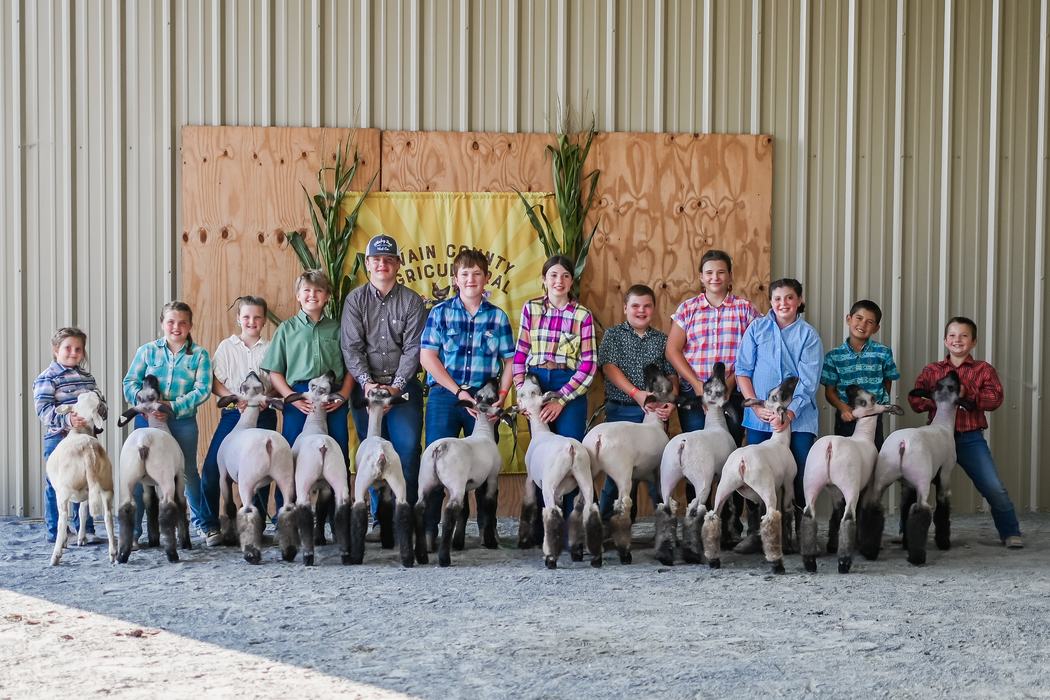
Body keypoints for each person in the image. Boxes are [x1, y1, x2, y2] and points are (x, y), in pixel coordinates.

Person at [419, 249, 515, 543]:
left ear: (487, 279)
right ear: (455, 280)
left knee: (486, 469)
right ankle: (430, 531)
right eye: (465, 274)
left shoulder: (497, 318)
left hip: (484, 399)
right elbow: (427, 357)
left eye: (477, 274)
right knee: (437, 463)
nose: (471, 279)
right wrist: (458, 391)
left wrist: (501, 395)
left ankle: (488, 530)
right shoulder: (440, 312)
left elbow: (510, 360)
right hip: (446, 396)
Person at [908, 316, 1024, 549]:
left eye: (964, 336)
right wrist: (942, 402)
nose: (957, 340)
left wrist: (966, 394)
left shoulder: (983, 370)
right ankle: (909, 533)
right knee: (915, 484)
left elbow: (995, 400)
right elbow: (915, 398)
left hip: (969, 437)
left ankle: (1010, 532)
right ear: (944, 340)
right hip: (937, 439)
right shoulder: (933, 370)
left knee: (993, 486)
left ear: (973, 342)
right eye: (952, 335)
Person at [341, 234, 427, 539]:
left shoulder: (412, 301)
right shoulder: (355, 300)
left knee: (406, 452)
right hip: (366, 391)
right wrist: (366, 383)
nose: (382, 264)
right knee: (371, 452)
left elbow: (414, 349)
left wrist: (397, 387)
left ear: (398, 265)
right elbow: (352, 348)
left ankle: (408, 518)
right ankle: (380, 520)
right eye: (376, 259)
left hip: (403, 389)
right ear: (367, 264)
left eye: (388, 259)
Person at [512, 254, 597, 521]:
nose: (559, 281)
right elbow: (520, 354)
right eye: (553, 275)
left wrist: (561, 399)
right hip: (536, 383)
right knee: (540, 456)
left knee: (570, 453)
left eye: (565, 276)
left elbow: (588, 364)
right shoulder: (531, 309)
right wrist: (522, 393)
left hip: (568, 385)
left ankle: (573, 525)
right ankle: (542, 526)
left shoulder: (582, 315)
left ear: (572, 281)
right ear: (544, 280)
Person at [264, 271, 354, 515]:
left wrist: (344, 395)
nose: (312, 295)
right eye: (306, 290)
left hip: (332, 397)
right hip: (298, 397)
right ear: (298, 296)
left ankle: (337, 516)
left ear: (327, 297)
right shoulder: (286, 329)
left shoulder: (338, 329)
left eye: (318, 291)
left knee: (337, 451)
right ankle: (287, 514)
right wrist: (291, 398)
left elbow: (351, 367)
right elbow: (275, 372)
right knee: (292, 454)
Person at [122, 301, 212, 542]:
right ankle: (134, 532)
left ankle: (203, 524)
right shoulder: (147, 351)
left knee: (188, 472)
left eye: (183, 322)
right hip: (146, 421)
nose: (176, 327)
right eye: (171, 322)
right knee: (140, 474)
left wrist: (171, 406)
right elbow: (130, 382)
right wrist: (146, 406)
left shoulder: (200, 355)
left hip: (182, 421)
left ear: (191, 325)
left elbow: (203, 389)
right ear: (162, 324)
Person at [735, 278, 823, 523]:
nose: (783, 303)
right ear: (770, 301)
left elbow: (808, 381)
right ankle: (757, 531)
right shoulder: (757, 328)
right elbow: (743, 370)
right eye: (777, 298)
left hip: (799, 418)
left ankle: (801, 530)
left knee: (801, 473)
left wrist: (790, 413)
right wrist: (754, 405)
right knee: (755, 472)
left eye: (789, 298)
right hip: (760, 418)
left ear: (800, 300)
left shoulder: (809, 335)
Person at [199, 295, 277, 545]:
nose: (251, 321)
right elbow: (215, 381)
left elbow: (277, 381)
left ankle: (256, 525)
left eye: (257, 317)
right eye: (246, 317)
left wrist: (265, 397)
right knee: (213, 467)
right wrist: (234, 398)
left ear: (264, 320)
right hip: (234, 413)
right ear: (238, 319)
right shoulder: (226, 347)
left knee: (262, 470)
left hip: (263, 414)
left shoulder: (271, 348)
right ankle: (211, 525)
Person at [596, 283, 676, 521]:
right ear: (625, 308)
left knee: (657, 472)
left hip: (654, 414)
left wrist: (670, 402)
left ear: (654, 309)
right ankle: (604, 525)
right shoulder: (613, 335)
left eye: (647, 306)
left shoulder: (662, 340)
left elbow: (671, 374)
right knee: (617, 473)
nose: (641, 311)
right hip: (622, 410)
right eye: (635, 306)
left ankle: (664, 529)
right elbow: (609, 367)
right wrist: (636, 393)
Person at [665, 249, 759, 440]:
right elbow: (672, 350)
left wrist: (731, 384)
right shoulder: (688, 308)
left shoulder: (745, 309)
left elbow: (757, 351)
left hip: (732, 393)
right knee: (696, 448)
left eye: (721, 272)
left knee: (729, 446)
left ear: (730, 276)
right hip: (694, 392)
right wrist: (697, 385)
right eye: (709, 273)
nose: (715, 277)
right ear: (701, 277)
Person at [33, 327, 107, 544]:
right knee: (57, 483)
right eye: (67, 348)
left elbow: (99, 403)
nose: (73, 352)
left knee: (86, 479)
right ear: (56, 350)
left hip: (86, 438)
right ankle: (57, 531)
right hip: (60, 438)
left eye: (78, 349)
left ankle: (85, 528)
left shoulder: (87, 377)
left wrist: (97, 416)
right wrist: (67, 420)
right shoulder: (47, 378)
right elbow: (43, 410)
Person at [821, 299, 900, 449]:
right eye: (859, 318)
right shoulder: (834, 356)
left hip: (872, 415)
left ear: (876, 328)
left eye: (869, 322)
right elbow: (830, 391)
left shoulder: (883, 352)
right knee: (844, 455)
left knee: (873, 454)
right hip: (847, 416)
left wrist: (878, 405)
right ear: (848, 319)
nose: (863, 325)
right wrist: (843, 408)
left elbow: (888, 379)